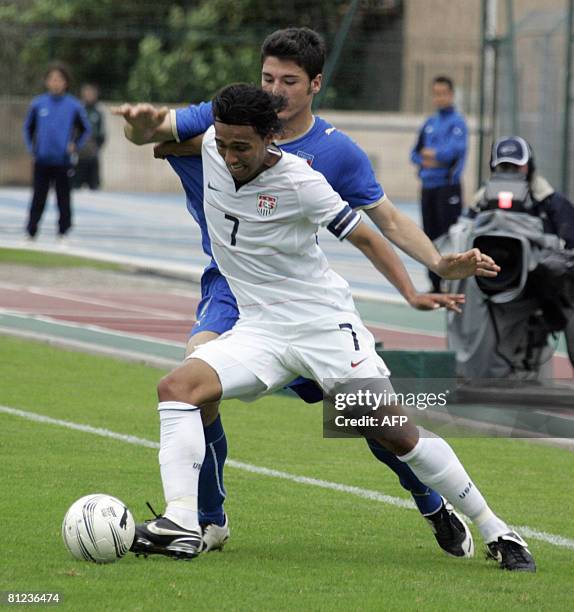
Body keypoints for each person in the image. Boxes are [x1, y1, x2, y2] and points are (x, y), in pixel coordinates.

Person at [114, 27, 503, 559]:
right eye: (267, 77)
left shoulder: (332, 155)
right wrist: (138, 127)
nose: (275, 89)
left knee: (365, 419)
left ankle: (431, 501)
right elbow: (155, 133)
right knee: (193, 385)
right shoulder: (224, 119)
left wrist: (435, 264)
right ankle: (204, 521)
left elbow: (382, 219)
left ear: (315, 84)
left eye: (289, 81)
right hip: (231, 291)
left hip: (305, 304)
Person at [410, 76, 467, 292]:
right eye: (436, 93)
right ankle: (435, 284)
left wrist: (434, 155)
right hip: (428, 187)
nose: (439, 98)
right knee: (430, 235)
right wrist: (429, 158)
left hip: (447, 187)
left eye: (444, 93)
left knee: (450, 234)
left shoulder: (457, 123)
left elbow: (453, 152)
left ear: (451, 95)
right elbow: (415, 154)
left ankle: (453, 283)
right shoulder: (429, 124)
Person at [23, 62, 91, 242]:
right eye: (52, 79)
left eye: (59, 79)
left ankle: (63, 231)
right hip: (42, 160)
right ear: (47, 82)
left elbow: (85, 129)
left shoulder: (73, 106)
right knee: (38, 196)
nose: (55, 83)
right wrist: (33, 149)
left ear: (66, 82)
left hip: (63, 161)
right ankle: (31, 231)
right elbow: (28, 129)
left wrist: (75, 145)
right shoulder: (38, 104)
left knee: (64, 198)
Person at [470, 135, 574, 248]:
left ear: (529, 166)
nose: (510, 171)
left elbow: (569, 244)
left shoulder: (549, 201)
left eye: (516, 166)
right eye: (504, 166)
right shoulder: (480, 201)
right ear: (493, 168)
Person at [72, 83, 106, 190]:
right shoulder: (78, 111)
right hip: (79, 156)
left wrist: (95, 148)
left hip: (92, 156)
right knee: (75, 186)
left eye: (91, 93)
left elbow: (102, 134)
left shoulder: (98, 113)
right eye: (87, 92)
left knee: (94, 187)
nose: (89, 95)